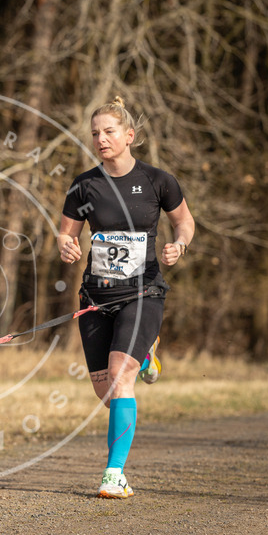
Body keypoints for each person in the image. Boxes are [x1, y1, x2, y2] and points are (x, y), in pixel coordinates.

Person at [58, 97, 195, 499]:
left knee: (120, 376)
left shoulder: (157, 181)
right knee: (107, 391)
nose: (101, 139)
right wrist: (65, 245)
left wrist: (179, 245)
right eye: (96, 133)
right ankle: (147, 354)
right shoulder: (85, 185)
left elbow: (183, 221)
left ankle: (113, 473)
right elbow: (66, 231)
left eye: (109, 131)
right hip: (96, 296)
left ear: (129, 136)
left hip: (143, 291)